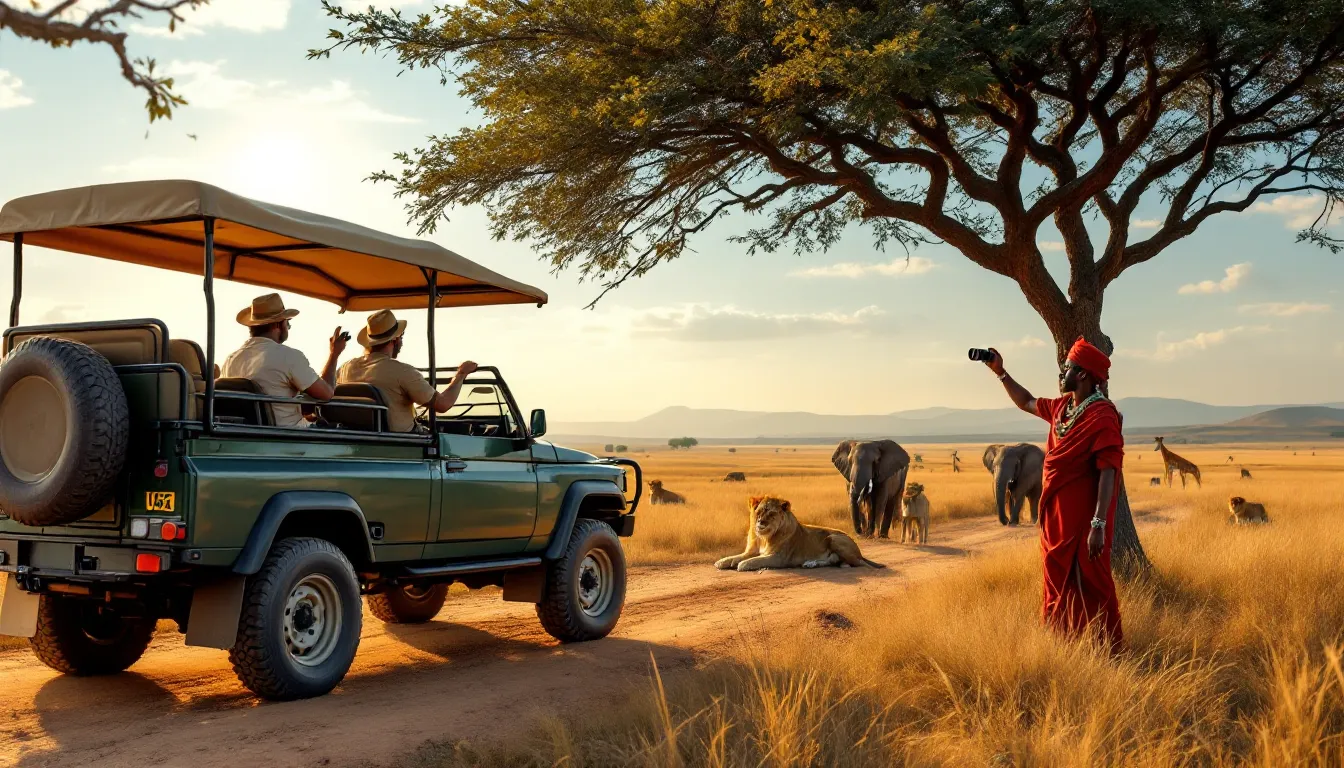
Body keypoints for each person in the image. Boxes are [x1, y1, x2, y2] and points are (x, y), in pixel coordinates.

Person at [984, 338, 1125, 653]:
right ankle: (1062, 646)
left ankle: (1107, 650)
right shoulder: (1063, 408)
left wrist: (1098, 523)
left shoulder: (1102, 416)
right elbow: (1027, 401)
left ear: (1085, 375)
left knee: (1092, 581)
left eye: (1070, 367)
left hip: (1085, 519)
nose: (1063, 372)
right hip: (1056, 518)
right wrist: (1001, 372)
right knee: (1056, 579)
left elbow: (1108, 471)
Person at [336, 309, 478, 433]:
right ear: (396, 340)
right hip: (404, 441)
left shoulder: (345, 368)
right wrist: (461, 374)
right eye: (401, 337)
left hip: (358, 438)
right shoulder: (402, 371)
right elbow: (443, 404)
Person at [220, 293, 346, 428]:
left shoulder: (230, 360)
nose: (288, 327)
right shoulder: (288, 356)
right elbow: (326, 394)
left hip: (245, 434)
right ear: (277, 325)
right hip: (289, 436)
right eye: (288, 323)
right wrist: (334, 354)